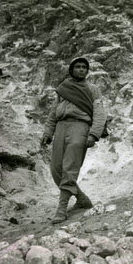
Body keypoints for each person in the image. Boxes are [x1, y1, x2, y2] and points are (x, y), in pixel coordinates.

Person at [40, 57, 107, 224]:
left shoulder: (93, 89)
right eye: (77, 67)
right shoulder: (63, 89)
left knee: (70, 168)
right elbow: (53, 113)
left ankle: (61, 209)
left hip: (80, 128)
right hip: (61, 128)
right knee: (56, 169)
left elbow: (100, 113)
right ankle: (82, 199)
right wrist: (48, 132)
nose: (81, 70)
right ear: (71, 69)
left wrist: (93, 134)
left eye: (84, 67)